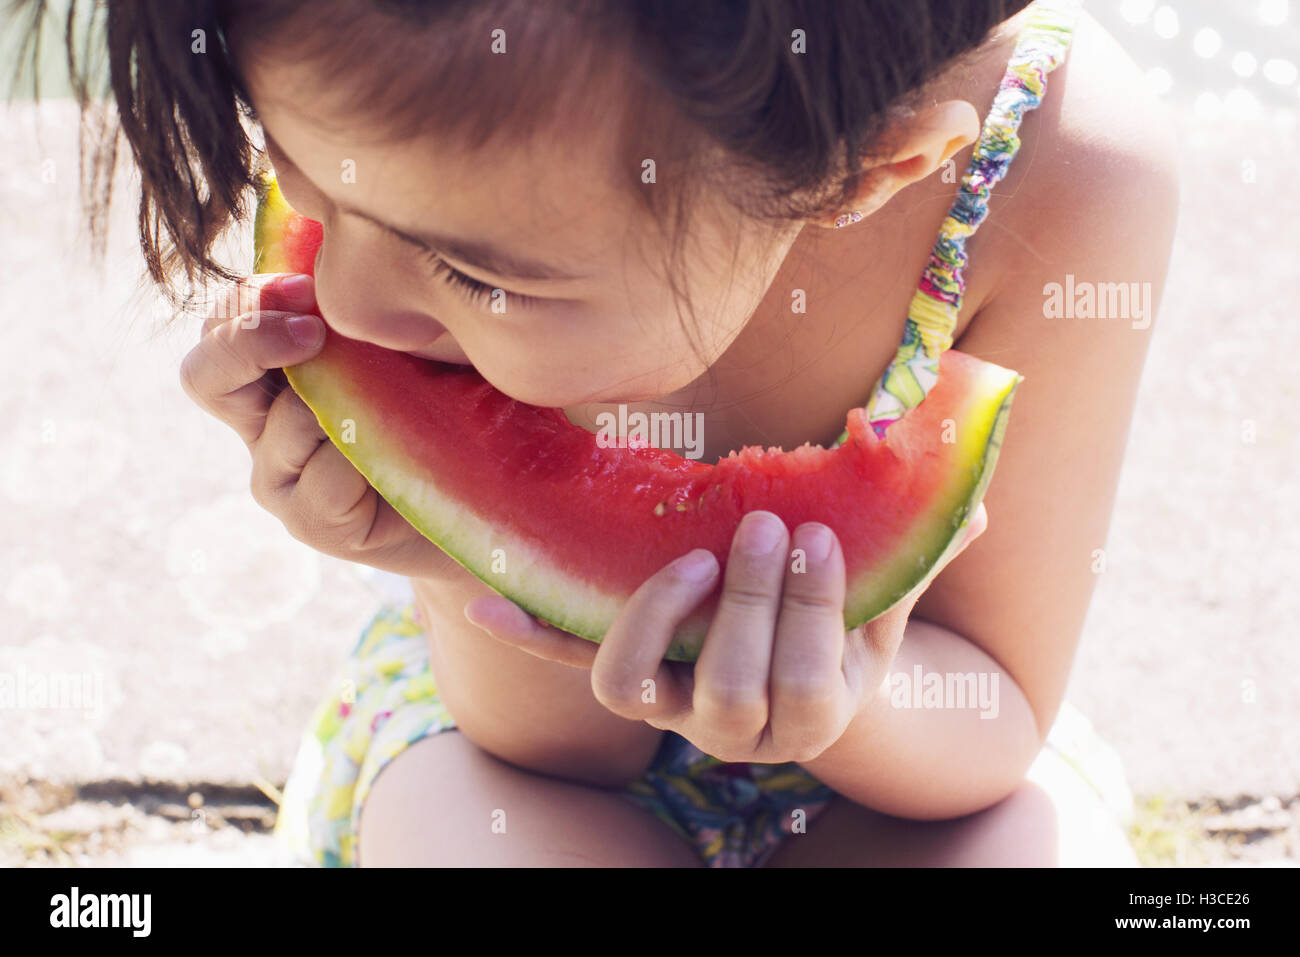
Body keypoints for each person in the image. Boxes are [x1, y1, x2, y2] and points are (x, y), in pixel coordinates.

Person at [18, 0, 1177, 866]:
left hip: (919, 747)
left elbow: (993, 713)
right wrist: (452, 551)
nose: (349, 309)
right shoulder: (480, 156)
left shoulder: (1067, 171)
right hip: (501, 740)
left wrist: (841, 698)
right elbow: (554, 757)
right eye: (306, 182)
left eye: (477, 277)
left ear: (866, 175)